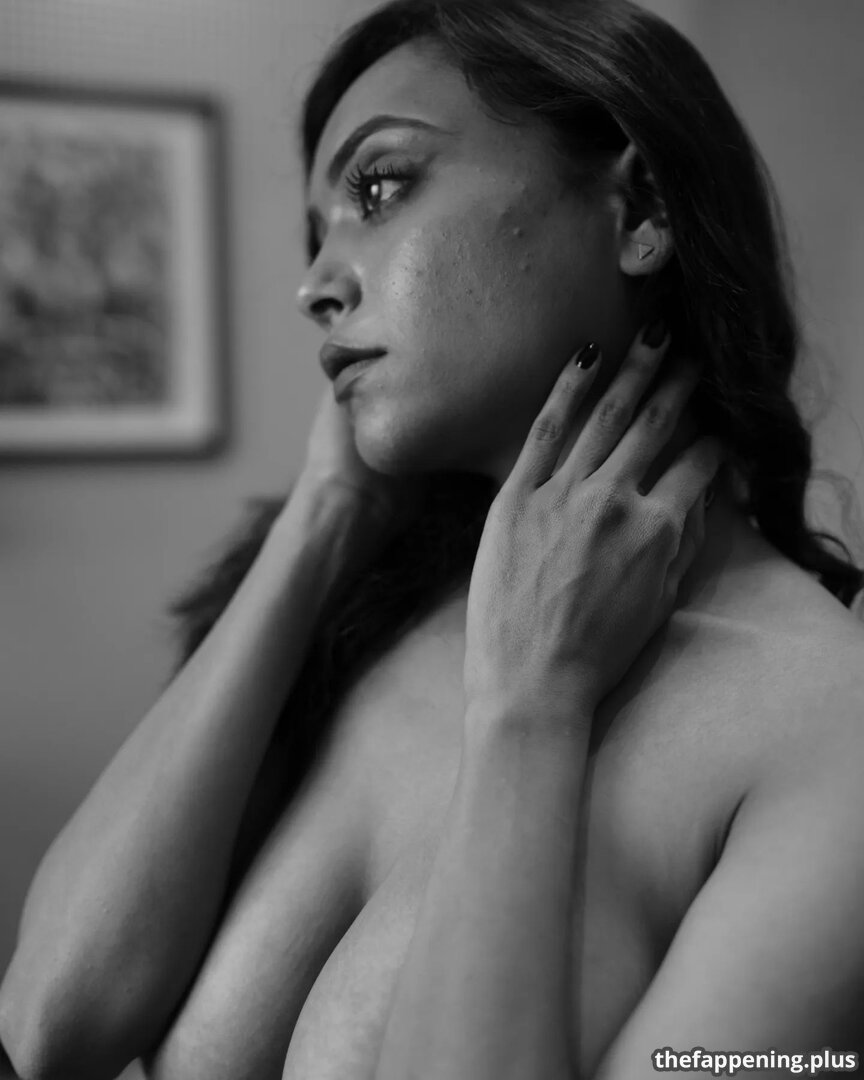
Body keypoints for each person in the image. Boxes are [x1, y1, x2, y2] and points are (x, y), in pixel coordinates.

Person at [2, 1, 864, 1077]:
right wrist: (325, 513)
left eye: (377, 188)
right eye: (319, 232)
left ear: (641, 205)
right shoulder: (363, 600)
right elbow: (51, 1029)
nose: (314, 285)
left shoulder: (830, 732)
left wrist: (530, 711)